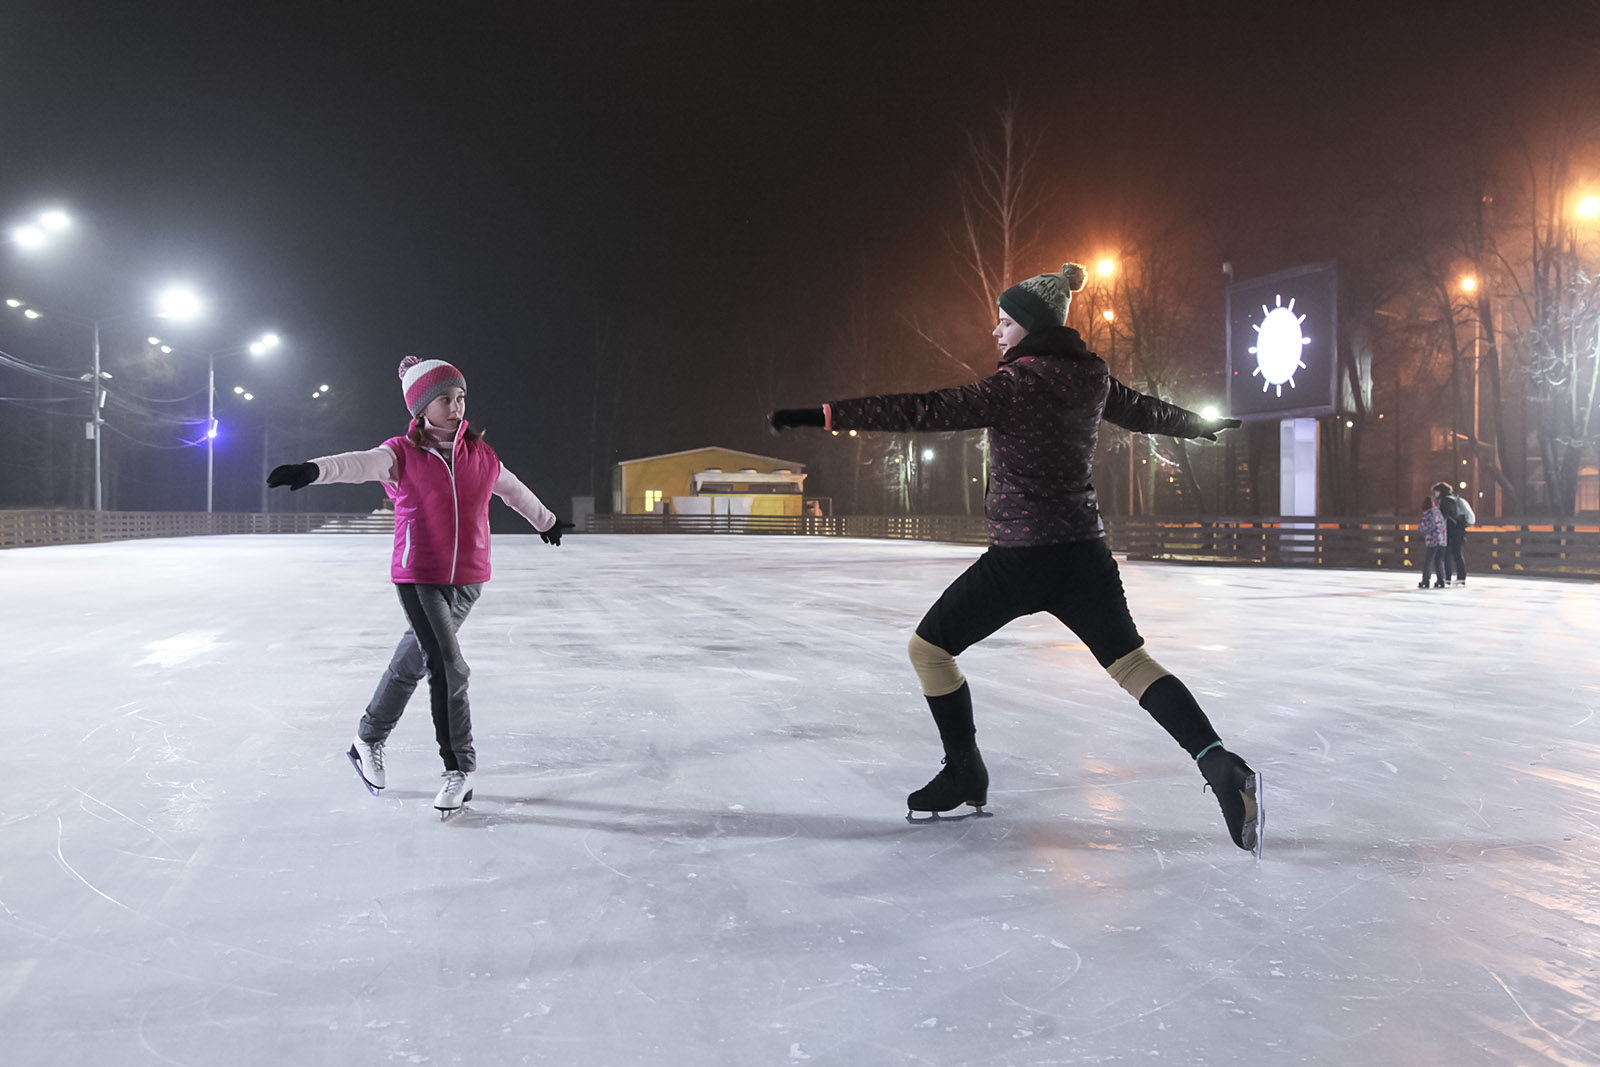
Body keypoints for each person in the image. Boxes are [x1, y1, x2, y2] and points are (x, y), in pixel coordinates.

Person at [768, 263, 1262, 854]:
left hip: (1021, 560)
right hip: (1084, 556)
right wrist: (1200, 425)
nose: (995, 332)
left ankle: (964, 771)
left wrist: (820, 415)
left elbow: (919, 410)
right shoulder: (1093, 379)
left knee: (929, 650)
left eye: (1004, 322)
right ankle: (1218, 761)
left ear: (1032, 326)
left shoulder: (1014, 386)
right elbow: (1147, 412)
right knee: (1131, 663)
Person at [267, 356, 572, 815]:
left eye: (460, 397)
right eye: (444, 398)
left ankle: (367, 739)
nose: (456, 406)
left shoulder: (482, 456)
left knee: (413, 662)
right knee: (449, 666)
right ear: (421, 407)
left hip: (469, 579)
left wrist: (546, 521)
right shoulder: (401, 454)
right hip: (420, 576)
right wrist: (311, 470)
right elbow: (358, 464)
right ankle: (460, 768)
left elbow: (514, 490)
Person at [1432, 482, 1475, 586]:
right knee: (1458, 554)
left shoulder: (1445, 501)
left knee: (1447, 555)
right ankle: (1461, 577)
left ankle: (1447, 577)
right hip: (1460, 531)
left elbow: (1443, 518)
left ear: (1441, 491)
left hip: (1450, 531)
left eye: (1436, 491)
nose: (1435, 494)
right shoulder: (1455, 499)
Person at [1419, 495, 1448, 588]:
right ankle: (1441, 580)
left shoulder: (1429, 514)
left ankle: (1426, 580)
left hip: (1433, 540)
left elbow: (1430, 526)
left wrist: (1421, 527)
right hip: (1442, 540)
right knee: (1439, 561)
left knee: (1428, 561)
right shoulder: (1438, 512)